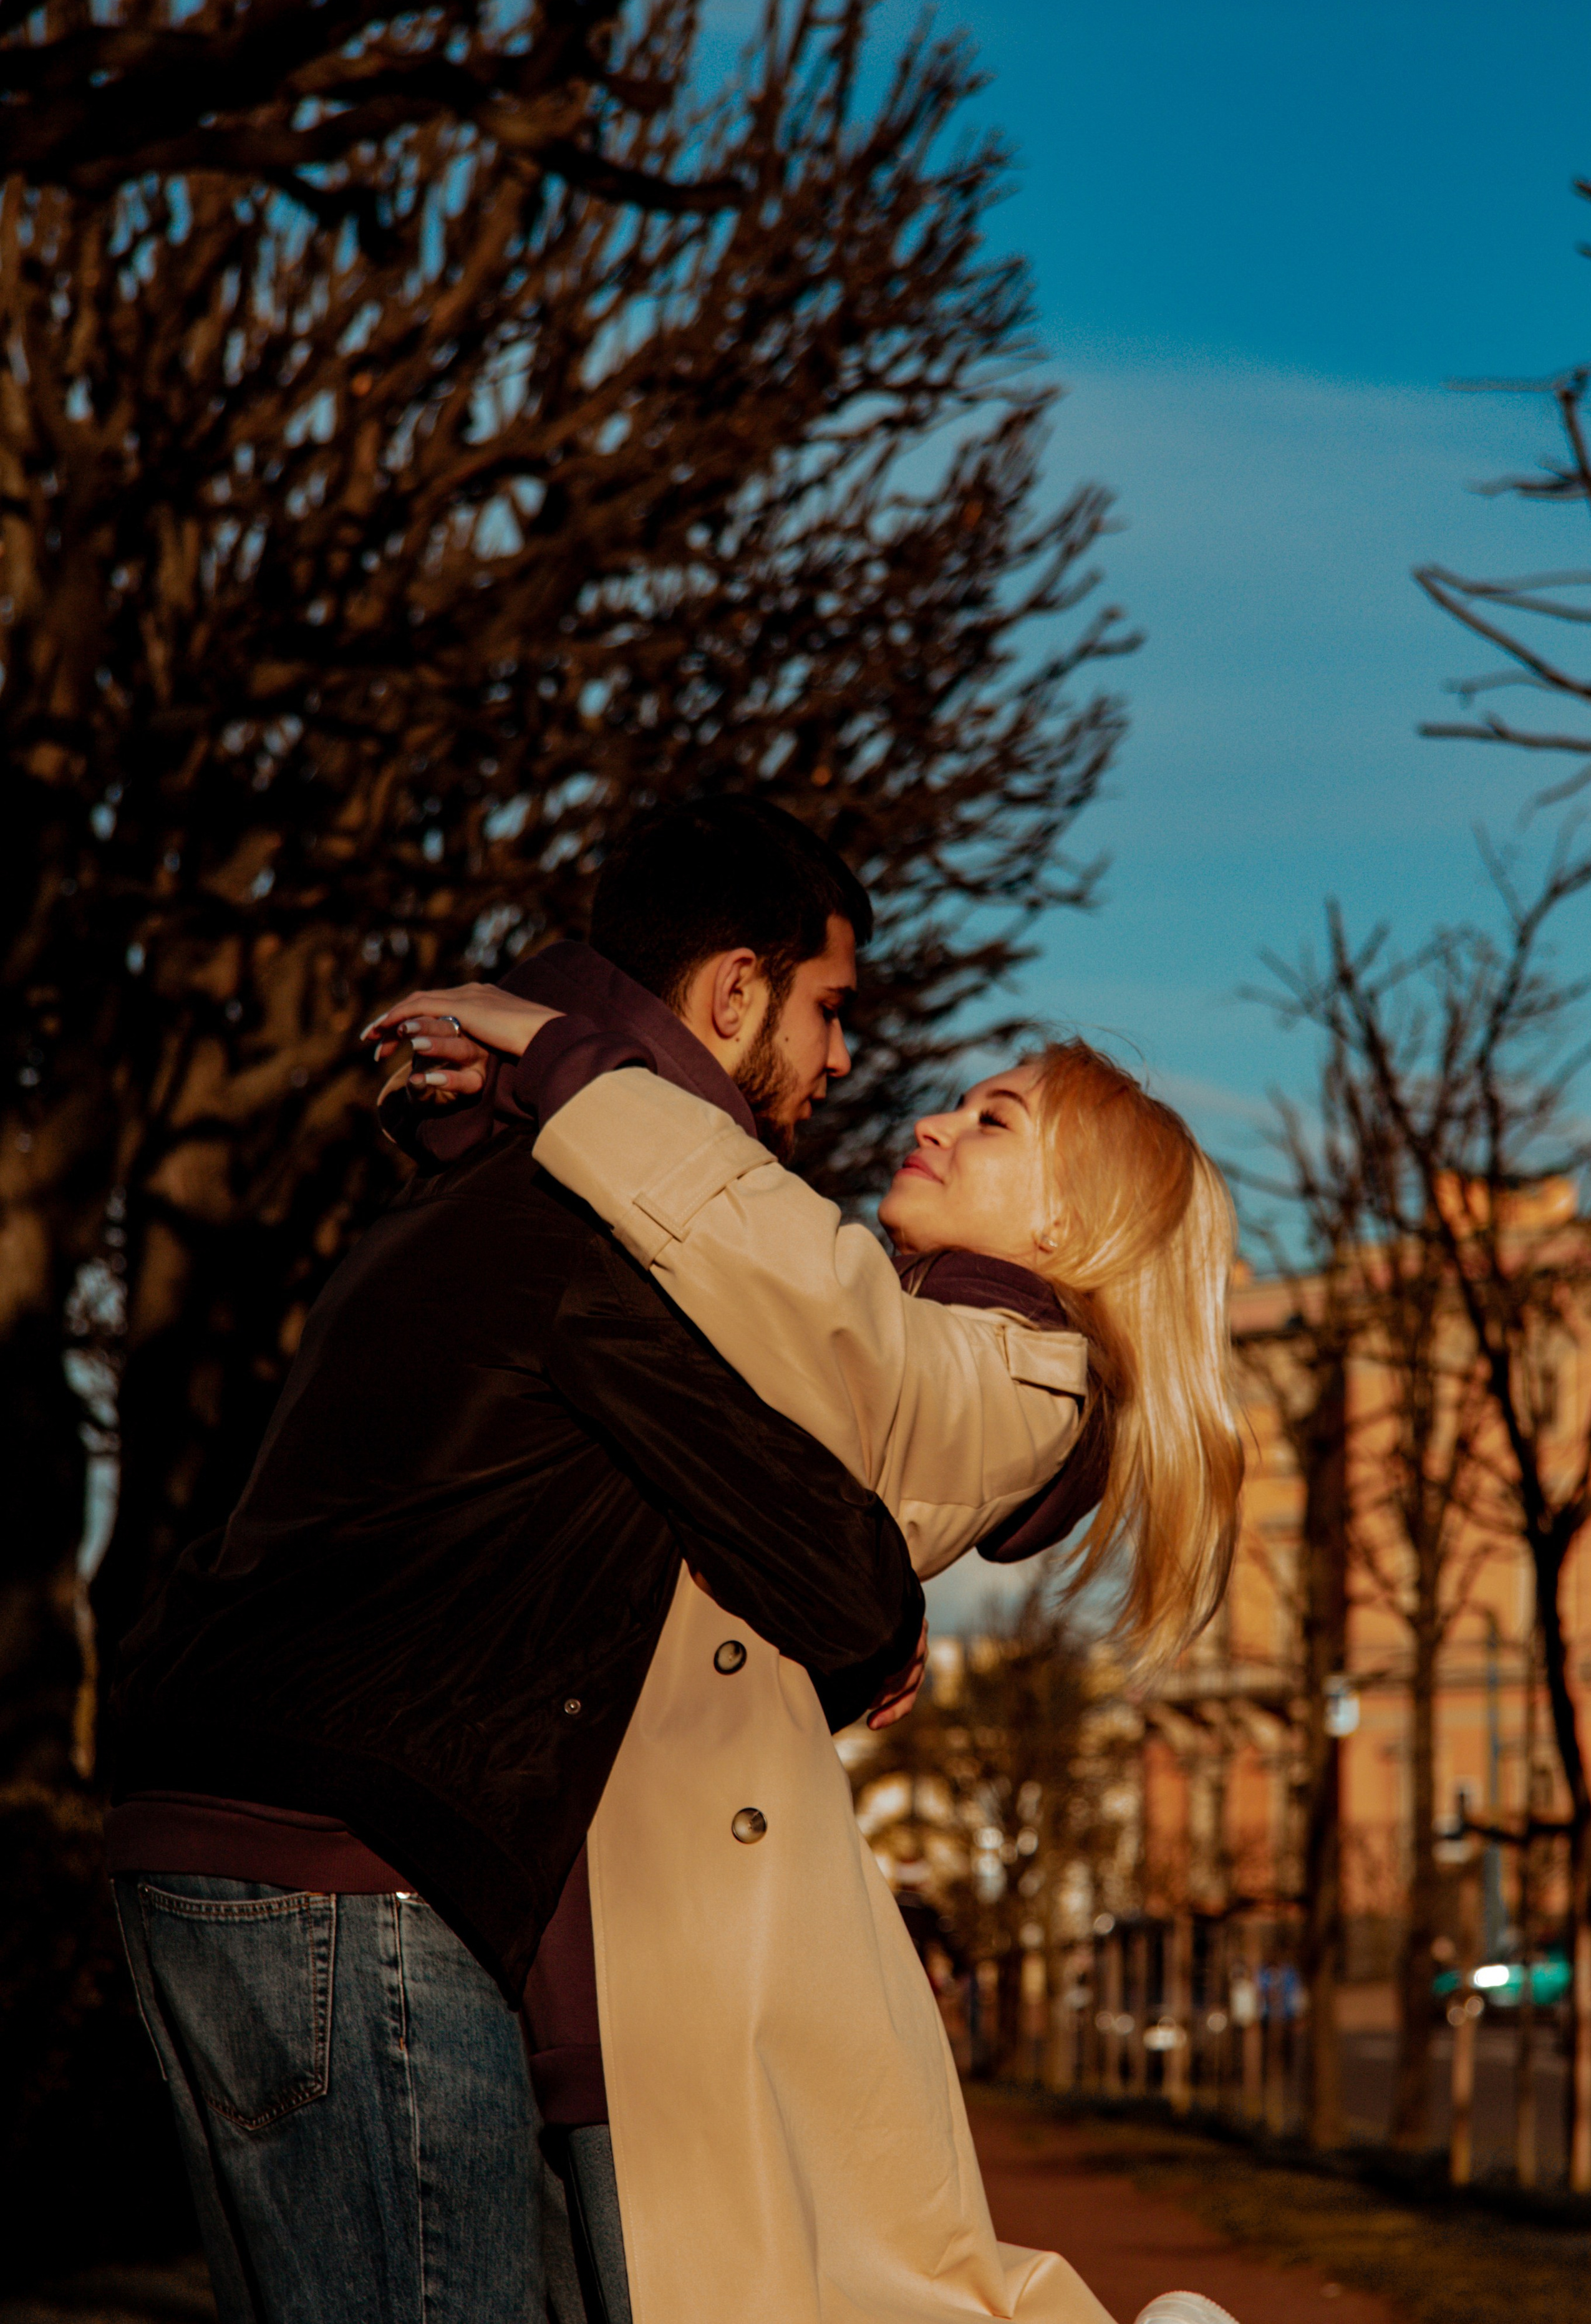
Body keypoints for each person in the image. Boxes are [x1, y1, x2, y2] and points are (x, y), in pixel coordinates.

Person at [105, 799, 1091, 2324]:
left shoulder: (488, 1167)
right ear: (734, 991)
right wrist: (879, 1619)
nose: (845, 1068)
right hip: (355, 1869)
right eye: (829, 1010)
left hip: (241, 1834)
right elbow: (823, 1540)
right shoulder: (605, 1216)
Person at [365, 931, 1244, 2324]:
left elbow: (768, 1262)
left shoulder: (1025, 1374)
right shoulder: (918, 1344)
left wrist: (558, 1054)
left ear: (1068, 1231)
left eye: (991, 1118)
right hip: (602, 1929)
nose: (928, 1118)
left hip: (666, 1964)